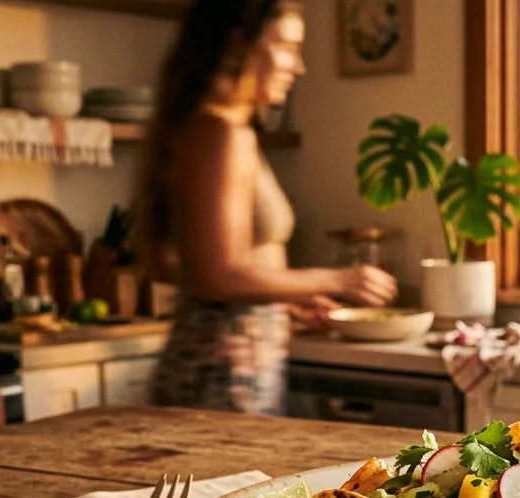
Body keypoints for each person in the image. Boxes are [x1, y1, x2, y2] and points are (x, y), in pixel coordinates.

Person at [138, 0, 397, 415]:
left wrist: (285, 301)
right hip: (222, 371)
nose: (299, 67)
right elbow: (216, 276)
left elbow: (180, 263)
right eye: (287, 47)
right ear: (240, 45)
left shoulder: (215, 130)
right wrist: (337, 278)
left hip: (232, 364)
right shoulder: (220, 134)